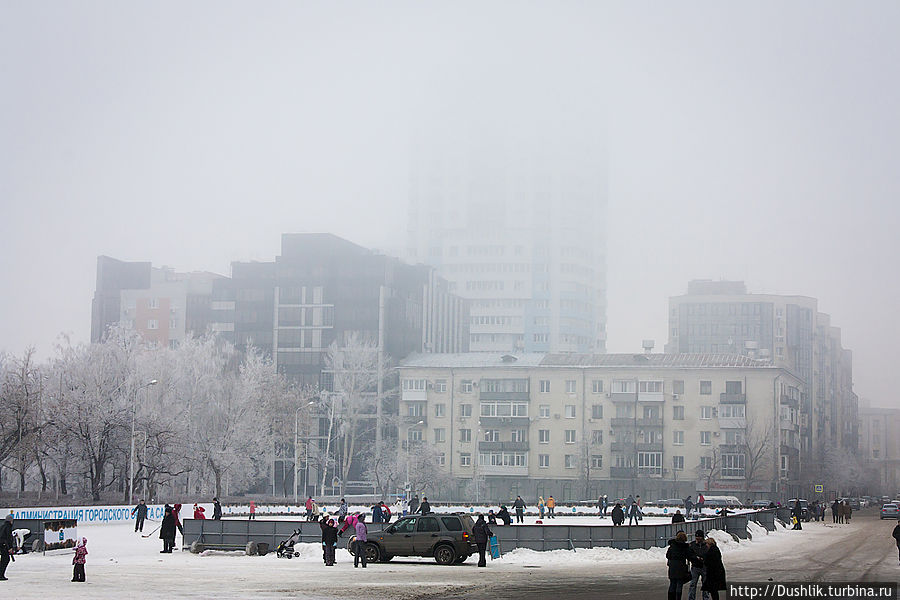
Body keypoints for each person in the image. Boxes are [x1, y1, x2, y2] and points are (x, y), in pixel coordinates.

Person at [667, 530, 703, 600]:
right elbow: (690, 556)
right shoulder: (685, 547)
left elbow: (668, 555)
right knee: (679, 585)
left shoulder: (672, 546)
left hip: (672, 568)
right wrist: (697, 559)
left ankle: (671, 598)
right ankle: (678, 598)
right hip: (681, 568)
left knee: (672, 584)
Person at [688, 530, 711, 600]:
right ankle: (691, 598)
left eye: (699, 537)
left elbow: (710, 555)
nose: (697, 538)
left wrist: (703, 558)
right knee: (692, 584)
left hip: (705, 567)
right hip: (695, 567)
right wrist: (696, 558)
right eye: (696, 537)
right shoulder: (692, 545)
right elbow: (689, 555)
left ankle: (706, 598)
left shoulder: (707, 545)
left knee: (705, 585)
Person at [0, 514, 14, 581]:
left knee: (3, 559)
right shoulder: (8, 527)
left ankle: (1, 574)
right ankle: (1, 575)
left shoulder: (2, 526)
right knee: (5, 559)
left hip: (1, 544)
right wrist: (10, 547)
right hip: (5, 545)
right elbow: (9, 537)